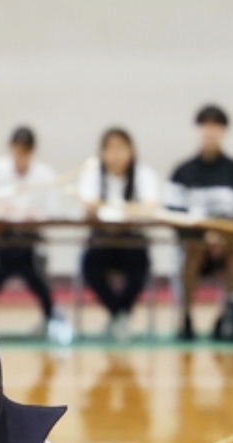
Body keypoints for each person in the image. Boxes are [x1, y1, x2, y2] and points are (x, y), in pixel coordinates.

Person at [166, 105, 233, 343]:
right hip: (195, 245)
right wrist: (204, 236)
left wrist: (222, 236)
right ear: (197, 129)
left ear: (224, 130)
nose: (210, 132)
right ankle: (185, 317)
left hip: (228, 245)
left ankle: (230, 315)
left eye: (216, 126)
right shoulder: (182, 172)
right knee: (191, 252)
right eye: (205, 125)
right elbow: (172, 214)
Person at [0, 127, 69, 341]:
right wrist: (0, 209)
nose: (20, 157)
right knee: (0, 262)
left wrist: (28, 214)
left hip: (28, 241)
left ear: (32, 152)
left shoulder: (44, 175)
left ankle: (50, 316)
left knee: (27, 263)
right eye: (16, 151)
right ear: (10, 149)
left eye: (25, 152)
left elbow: (51, 213)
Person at [75, 128, 161, 339]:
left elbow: (150, 207)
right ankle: (118, 314)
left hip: (132, 240)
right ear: (102, 153)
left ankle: (119, 316)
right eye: (110, 148)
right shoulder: (92, 175)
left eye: (120, 148)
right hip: (102, 241)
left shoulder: (144, 175)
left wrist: (124, 210)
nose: (115, 154)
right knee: (89, 265)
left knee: (140, 264)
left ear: (131, 151)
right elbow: (88, 206)